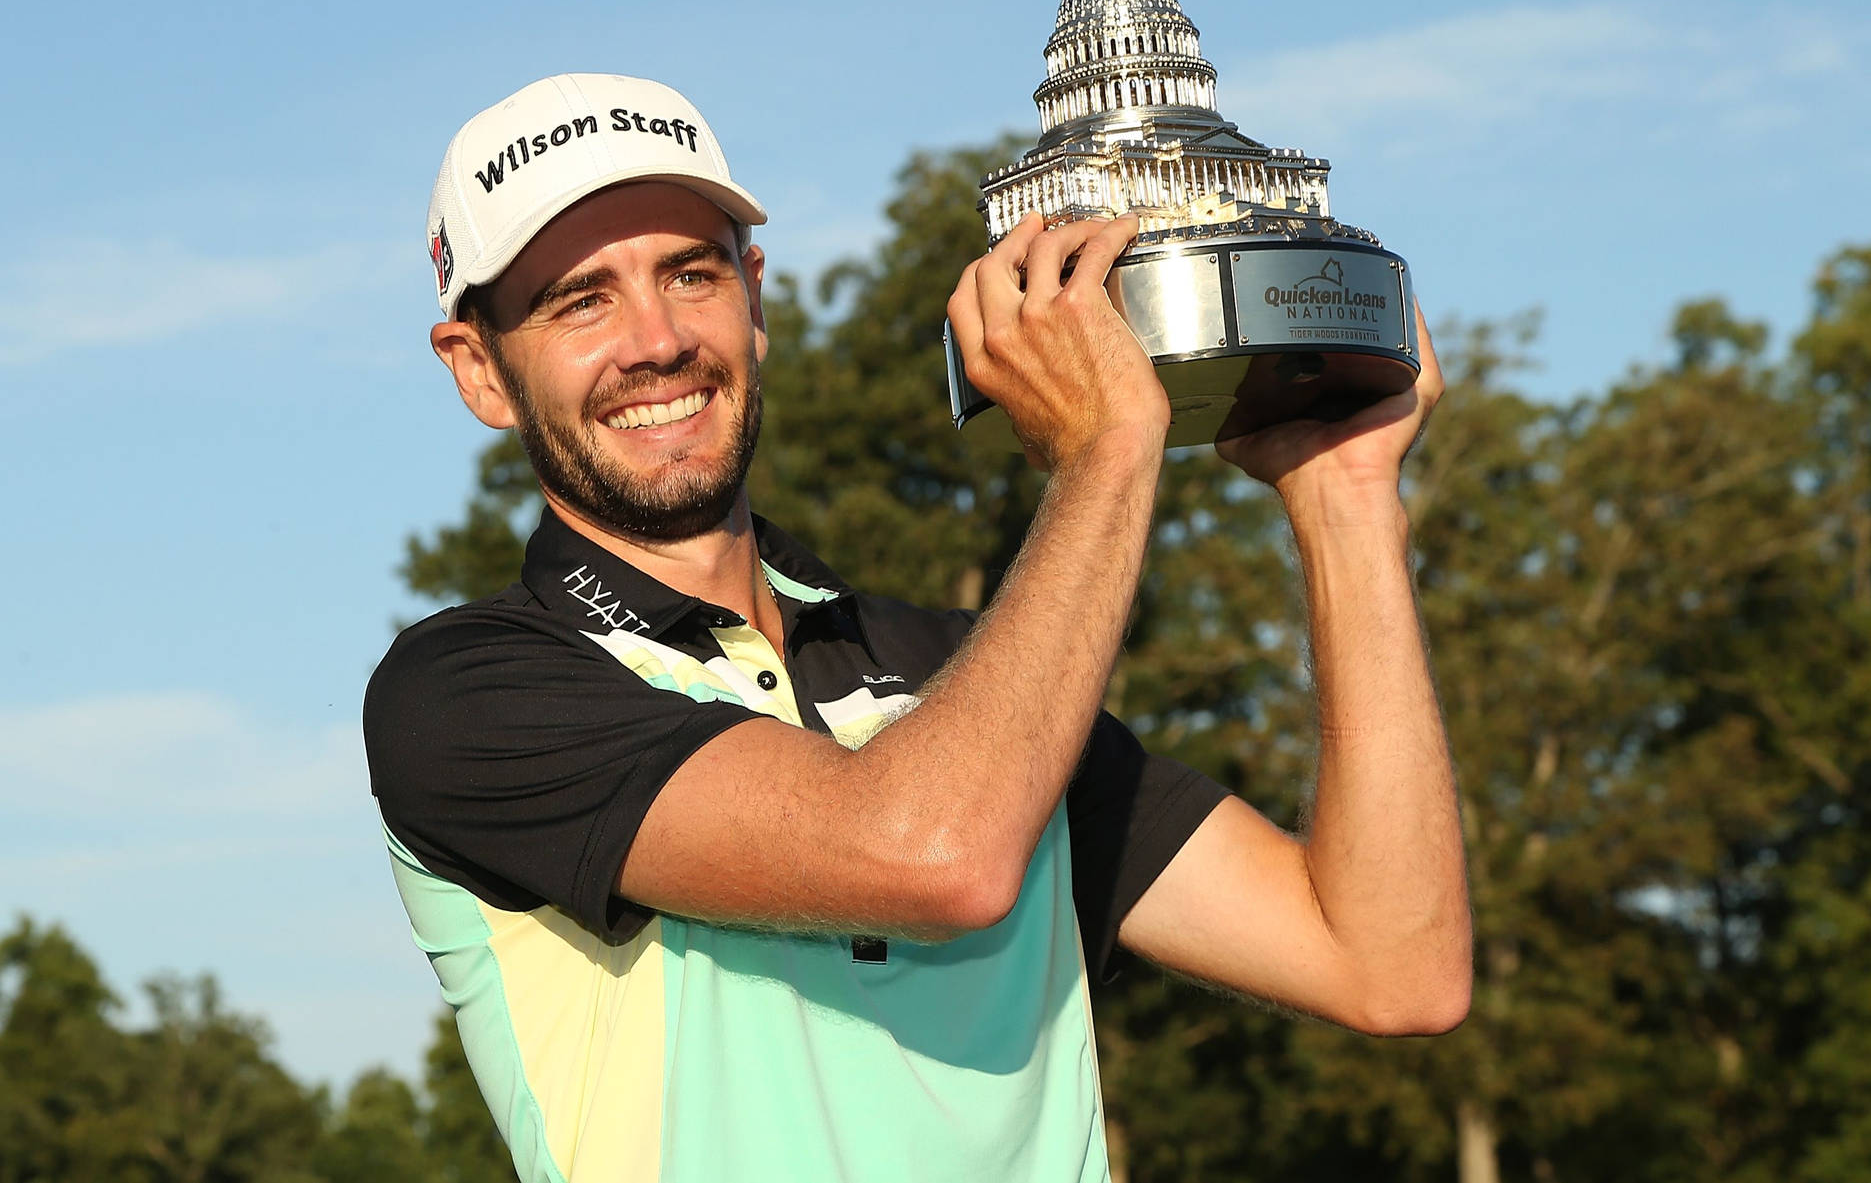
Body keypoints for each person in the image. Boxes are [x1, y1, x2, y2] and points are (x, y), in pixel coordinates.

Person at [364, 72, 1471, 1183]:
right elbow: (937, 853)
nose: (656, 341)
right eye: (581, 300)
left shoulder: (966, 677)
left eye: (690, 274)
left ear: (756, 298)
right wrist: (1108, 446)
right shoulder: (464, 692)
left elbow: (1390, 965)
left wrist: (1346, 504)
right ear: (479, 370)